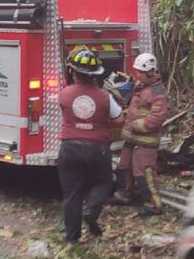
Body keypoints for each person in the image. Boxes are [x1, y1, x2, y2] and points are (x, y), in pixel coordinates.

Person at [58, 48, 123, 243]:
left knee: (72, 194)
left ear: (73, 72)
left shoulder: (65, 93)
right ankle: (91, 210)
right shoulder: (105, 96)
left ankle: (71, 239)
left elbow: (66, 112)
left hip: (69, 148)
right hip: (97, 148)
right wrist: (100, 124)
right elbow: (119, 119)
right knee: (104, 182)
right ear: (95, 75)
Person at [110, 52, 169, 216]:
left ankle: (153, 204)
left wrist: (139, 125)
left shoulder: (157, 91)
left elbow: (157, 117)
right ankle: (125, 195)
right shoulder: (140, 85)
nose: (137, 75)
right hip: (132, 137)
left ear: (150, 72)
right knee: (124, 166)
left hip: (145, 139)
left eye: (140, 72)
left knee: (143, 171)